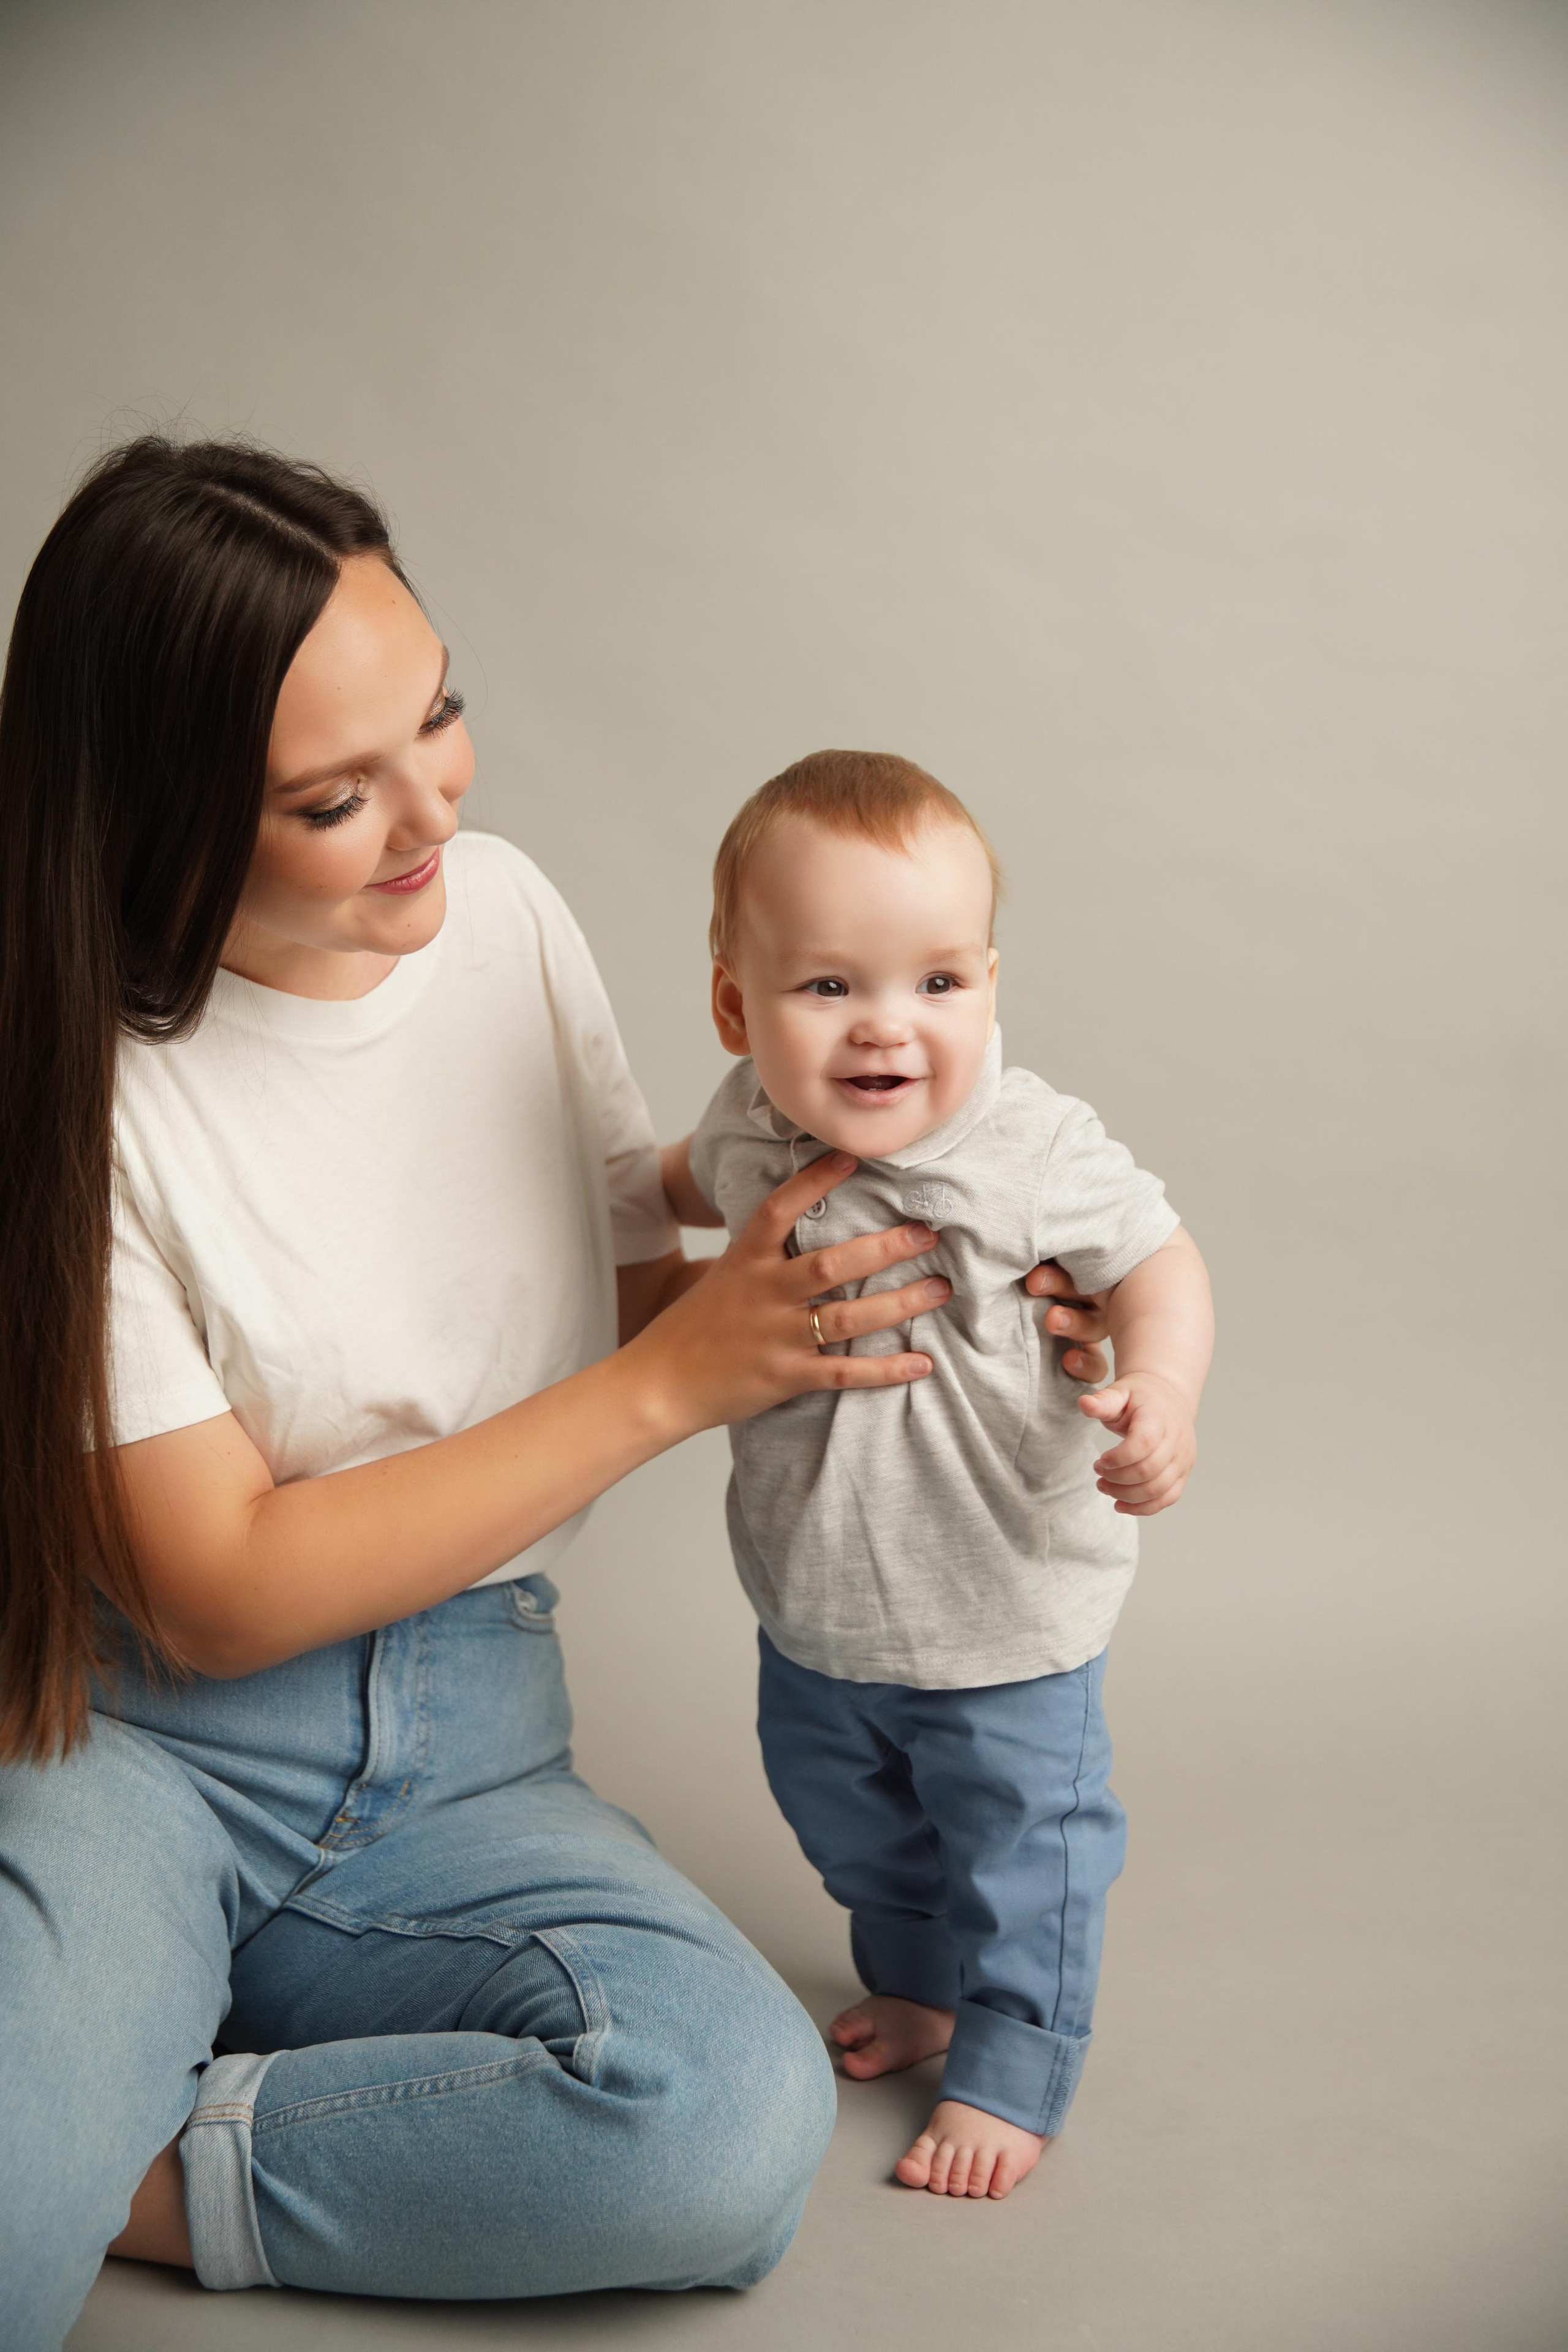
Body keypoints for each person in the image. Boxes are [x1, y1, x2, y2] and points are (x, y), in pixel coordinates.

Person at [0, 440, 1112, 2346]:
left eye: (440, 713)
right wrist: (682, 1377)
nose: (434, 803)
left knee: (720, 2122)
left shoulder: (498, 912)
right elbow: (219, 1587)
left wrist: (976, 1308)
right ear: (165, 822)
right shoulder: (74, 1089)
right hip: (148, 1748)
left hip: (468, 1738)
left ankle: (141, 2150)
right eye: (338, 798)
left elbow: (606, 1282)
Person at [660, 750, 1216, 2203]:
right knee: (859, 1834)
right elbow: (676, 1174)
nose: (883, 1030)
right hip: (818, 1617)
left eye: (935, 984)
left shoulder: (1029, 1151)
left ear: (987, 983)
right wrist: (596, 1182)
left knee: (1019, 1858)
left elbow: (1160, 1261)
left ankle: (1013, 2070)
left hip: (1005, 1616)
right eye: (827, 987)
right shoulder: (747, 1128)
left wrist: (1159, 1383)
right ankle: (918, 1993)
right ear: (736, 1004)